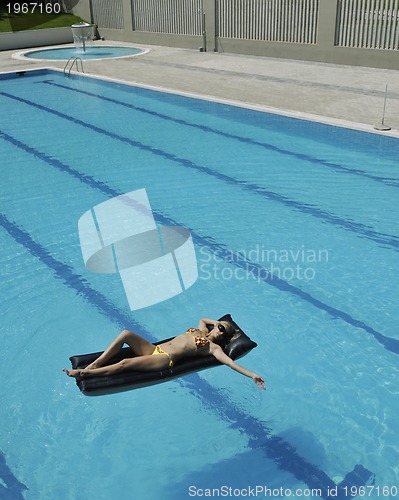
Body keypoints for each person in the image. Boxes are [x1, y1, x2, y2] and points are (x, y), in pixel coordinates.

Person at [63, 317, 266, 389]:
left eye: (222, 329)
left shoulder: (214, 348)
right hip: (154, 349)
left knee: (125, 362)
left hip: (164, 360)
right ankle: (97, 363)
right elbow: (204, 318)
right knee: (125, 333)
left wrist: (252, 375)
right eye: (219, 326)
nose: (218, 328)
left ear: (223, 337)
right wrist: (218, 323)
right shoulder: (201, 329)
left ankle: (85, 373)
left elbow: (231, 363)